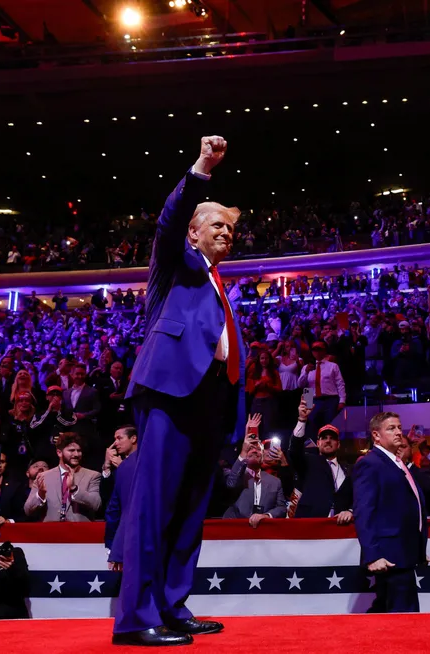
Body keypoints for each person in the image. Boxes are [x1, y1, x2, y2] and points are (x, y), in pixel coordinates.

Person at [114, 137, 242, 646]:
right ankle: (135, 618)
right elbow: (168, 221)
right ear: (193, 233)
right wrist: (203, 168)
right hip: (168, 394)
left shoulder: (216, 280)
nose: (227, 234)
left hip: (208, 399)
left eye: (231, 229)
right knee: (154, 505)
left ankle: (172, 605)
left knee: (190, 507)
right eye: (217, 225)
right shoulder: (173, 263)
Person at [353, 411, 428, 613]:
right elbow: (364, 512)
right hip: (390, 554)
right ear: (376, 435)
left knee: (390, 610)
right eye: (391, 428)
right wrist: (372, 555)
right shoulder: (371, 463)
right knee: (403, 614)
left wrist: (419, 547)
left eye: (399, 427)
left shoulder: (395, 462)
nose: (398, 432)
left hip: (403, 551)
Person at [287, 401, 353, 523]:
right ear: (318, 443)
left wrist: (350, 510)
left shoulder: (349, 469)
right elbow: (294, 451)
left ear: (338, 445)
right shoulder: (308, 461)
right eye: (324, 438)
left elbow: (356, 496)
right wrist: (302, 419)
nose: (328, 441)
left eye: (332, 438)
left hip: (340, 527)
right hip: (310, 524)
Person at [24, 432, 101, 522]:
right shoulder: (43, 477)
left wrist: (74, 489)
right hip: (51, 533)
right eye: (71, 450)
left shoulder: (92, 476)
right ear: (59, 453)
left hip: (79, 533)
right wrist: (40, 495)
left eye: (79, 450)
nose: (76, 454)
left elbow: (96, 505)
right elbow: (27, 510)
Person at [222, 433, 287, 523]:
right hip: (235, 528)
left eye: (258, 449)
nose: (255, 451)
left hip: (262, 531)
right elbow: (231, 484)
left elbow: (282, 508)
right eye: (250, 449)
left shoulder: (275, 482)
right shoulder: (235, 474)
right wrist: (244, 452)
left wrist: (266, 515)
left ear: (262, 456)